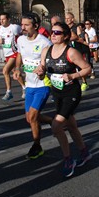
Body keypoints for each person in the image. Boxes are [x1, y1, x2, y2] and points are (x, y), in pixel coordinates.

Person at [37, 22, 92, 178]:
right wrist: (40, 72)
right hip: (57, 92)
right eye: (52, 32)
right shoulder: (46, 51)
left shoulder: (71, 52)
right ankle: (85, 152)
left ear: (66, 36)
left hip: (71, 92)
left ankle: (68, 160)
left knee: (56, 126)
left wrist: (72, 76)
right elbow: (42, 71)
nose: (53, 35)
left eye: (57, 32)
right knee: (71, 125)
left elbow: (87, 68)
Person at [13, 13, 52, 159]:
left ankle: (37, 145)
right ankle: (53, 122)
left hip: (43, 84)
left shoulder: (44, 42)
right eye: (22, 25)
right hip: (29, 85)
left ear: (36, 26)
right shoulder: (21, 39)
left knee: (33, 116)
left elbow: (51, 61)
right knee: (29, 118)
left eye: (26, 25)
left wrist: (43, 69)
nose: (22, 28)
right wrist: (17, 69)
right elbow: (19, 55)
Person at [0, 12, 25, 101]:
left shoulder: (14, 27)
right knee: (15, 72)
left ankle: (9, 92)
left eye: (3, 19)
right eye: (0, 19)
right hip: (6, 54)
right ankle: (25, 88)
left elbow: (24, 33)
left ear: (8, 19)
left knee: (5, 71)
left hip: (15, 53)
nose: (1, 21)